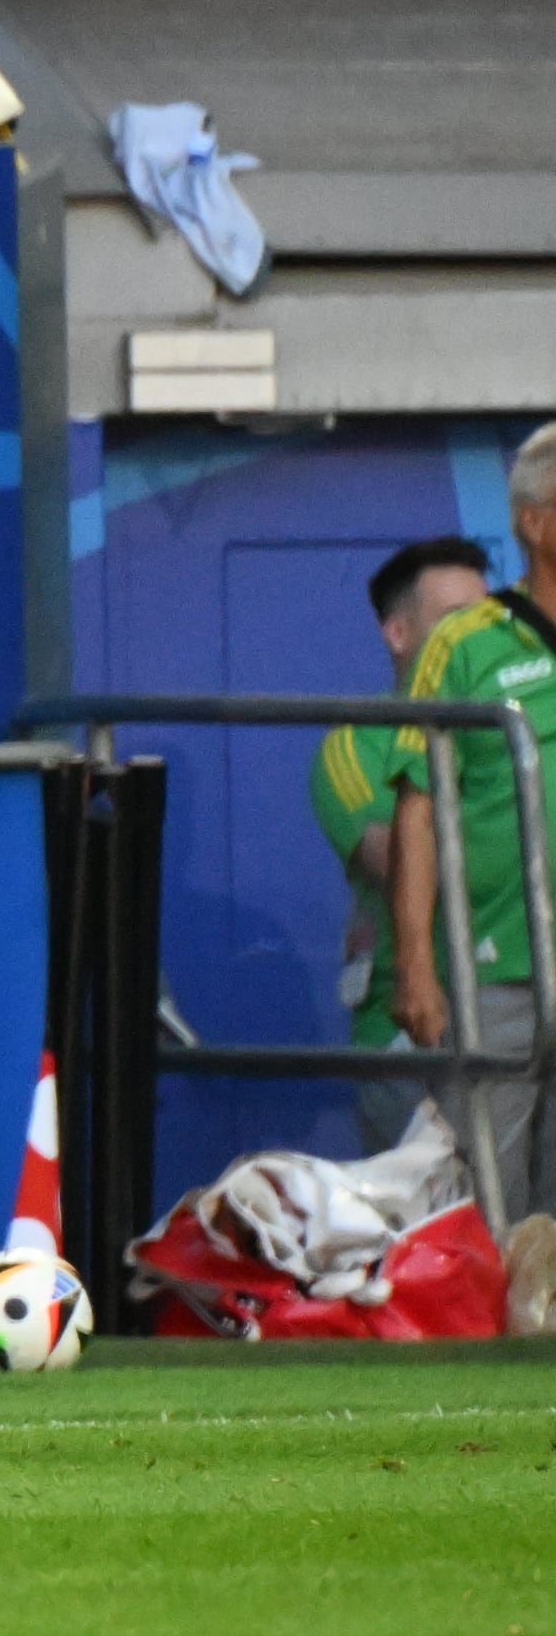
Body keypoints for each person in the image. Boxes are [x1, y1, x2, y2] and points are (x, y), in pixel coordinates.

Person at [391, 443, 556, 1215]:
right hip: (496, 968)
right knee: (487, 1203)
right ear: (535, 522)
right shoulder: (462, 644)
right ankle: (490, 1339)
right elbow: (417, 806)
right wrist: (418, 964)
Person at [320, 535, 494, 1152]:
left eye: (484, 619)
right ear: (398, 636)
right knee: (424, 1240)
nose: (474, 639)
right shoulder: (356, 743)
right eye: (454, 623)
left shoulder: (510, 728)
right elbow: (391, 854)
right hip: (411, 1042)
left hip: (518, 1022)